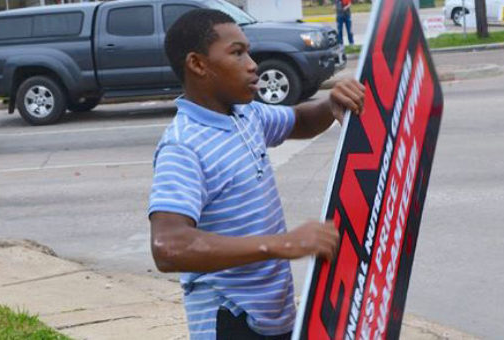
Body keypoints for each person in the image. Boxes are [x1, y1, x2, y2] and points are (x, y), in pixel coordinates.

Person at [148, 9, 365, 340]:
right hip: (230, 321)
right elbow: (169, 246)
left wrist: (331, 104)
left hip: (272, 318)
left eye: (248, 51)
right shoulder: (184, 146)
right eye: (237, 53)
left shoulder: (244, 116)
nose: (252, 64)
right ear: (198, 64)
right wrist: (282, 244)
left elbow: (300, 121)